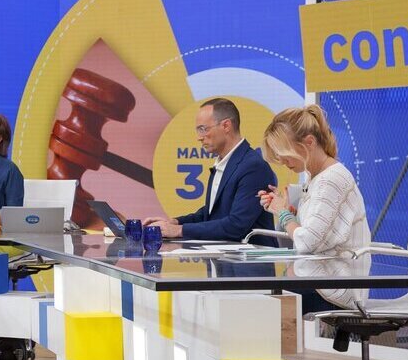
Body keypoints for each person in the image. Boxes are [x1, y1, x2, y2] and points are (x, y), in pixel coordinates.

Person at [258, 105, 370, 313]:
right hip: (321, 281)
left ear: (309, 142)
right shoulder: (317, 178)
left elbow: (307, 241)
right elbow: (314, 235)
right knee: (261, 304)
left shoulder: (331, 180)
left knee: (261, 310)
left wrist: (283, 214)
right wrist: (286, 211)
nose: (282, 161)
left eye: (284, 153)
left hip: (334, 289)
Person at [144, 98, 277, 245]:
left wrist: (179, 230)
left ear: (226, 126)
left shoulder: (253, 166)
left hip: (251, 257)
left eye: (203, 129)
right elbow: (210, 215)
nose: (199, 137)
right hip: (224, 255)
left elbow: (236, 225)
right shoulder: (225, 163)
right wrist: (174, 223)